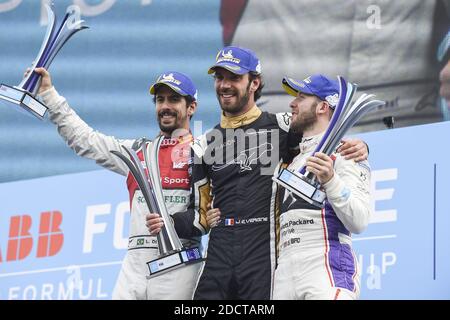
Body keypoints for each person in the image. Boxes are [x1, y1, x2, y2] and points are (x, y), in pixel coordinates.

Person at [146, 46, 369, 300]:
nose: (225, 85)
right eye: (219, 78)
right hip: (220, 250)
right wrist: (169, 223)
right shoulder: (204, 144)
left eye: (234, 78)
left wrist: (361, 146)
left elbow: (321, 136)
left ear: (254, 83)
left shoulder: (284, 125)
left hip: (263, 250)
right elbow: (202, 216)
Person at [28, 67, 202, 300]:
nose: (165, 106)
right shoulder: (137, 153)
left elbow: (211, 212)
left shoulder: (202, 154)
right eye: (160, 100)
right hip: (135, 262)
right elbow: (86, 140)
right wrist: (48, 93)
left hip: (180, 261)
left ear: (191, 107)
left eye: (174, 99)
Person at [272, 74, 371, 300]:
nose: (292, 103)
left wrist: (331, 180)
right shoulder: (291, 160)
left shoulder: (346, 153)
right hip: (284, 271)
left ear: (322, 107)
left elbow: (360, 220)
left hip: (325, 263)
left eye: (302, 97)